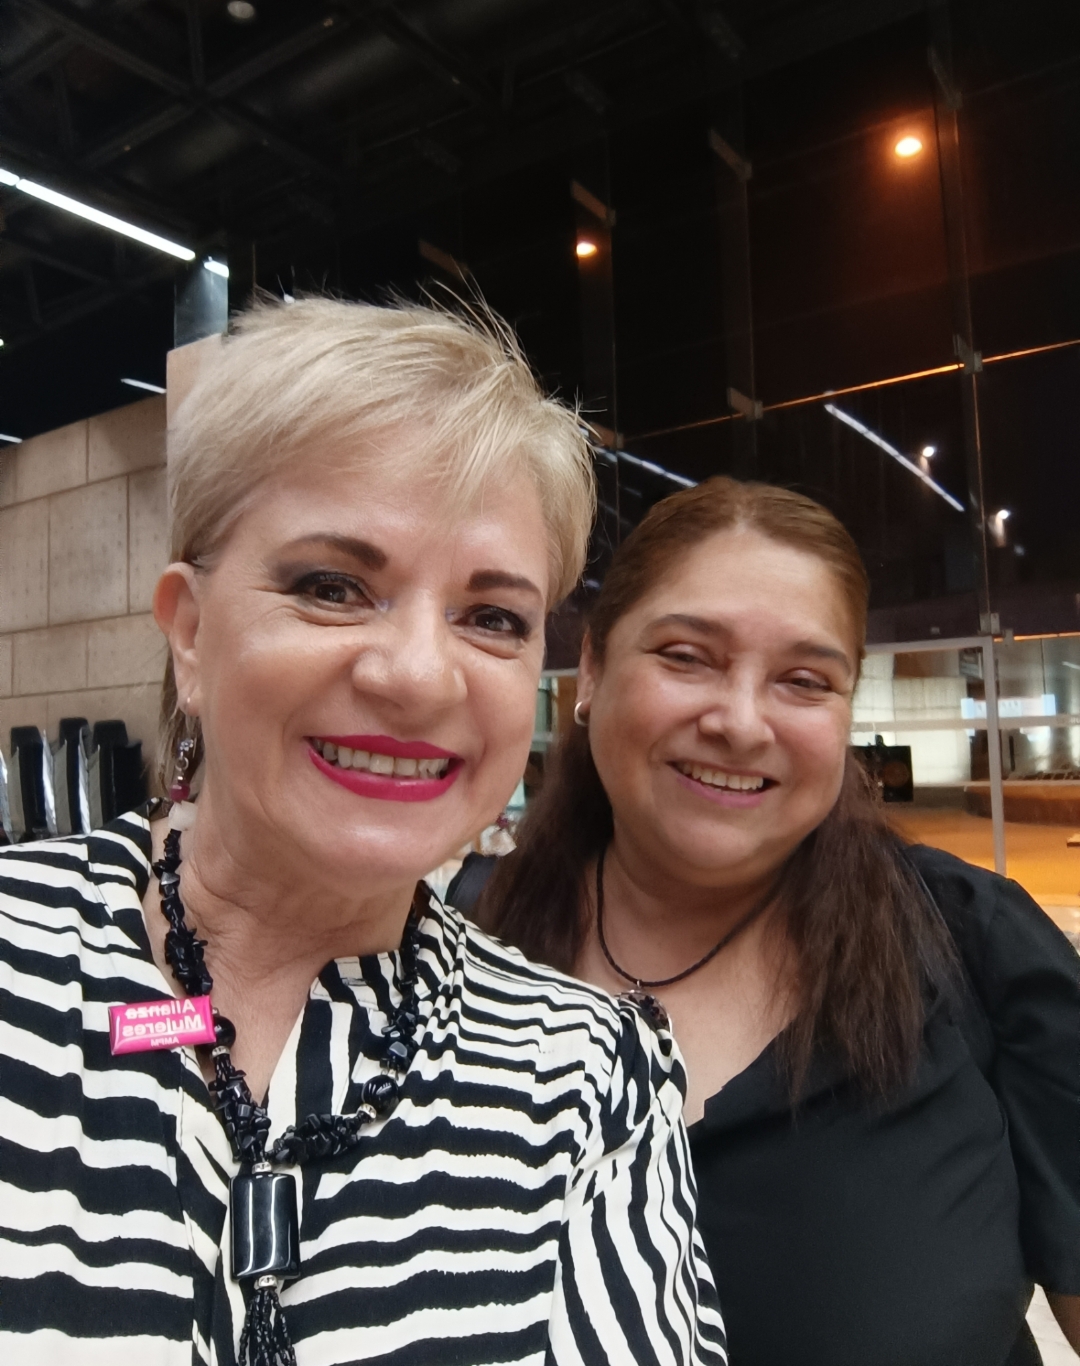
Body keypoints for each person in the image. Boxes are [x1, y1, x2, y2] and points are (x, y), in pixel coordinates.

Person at [0, 298, 727, 1366]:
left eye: (492, 616)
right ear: (190, 633)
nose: (418, 676)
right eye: (333, 587)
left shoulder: (586, 1077)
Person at [482, 476, 1080, 1366]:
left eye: (804, 681)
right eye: (687, 656)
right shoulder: (454, 944)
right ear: (593, 670)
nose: (740, 722)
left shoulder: (970, 944)